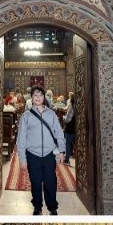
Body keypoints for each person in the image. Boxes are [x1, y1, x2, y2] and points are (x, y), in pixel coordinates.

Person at [16, 86, 66, 215]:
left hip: (49, 154)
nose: (38, 98)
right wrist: (22, 158)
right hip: (33, 155)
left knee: (50, 182)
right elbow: (21, 138)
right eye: (35, 95)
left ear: (44, 98)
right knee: (36, 183)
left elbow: (59, 133)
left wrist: (62, 150)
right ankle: (37, 206)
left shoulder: (51, 114)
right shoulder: (26, 116)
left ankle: (52, 207)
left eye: (40, 95)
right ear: (31, 98)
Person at [63, 92, 76, 165]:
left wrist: (64, 117)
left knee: (68, 143)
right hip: (77, 128)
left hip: (70, 128)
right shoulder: (79, 106)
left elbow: (67, 119)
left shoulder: (72, 107)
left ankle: (67, 160)